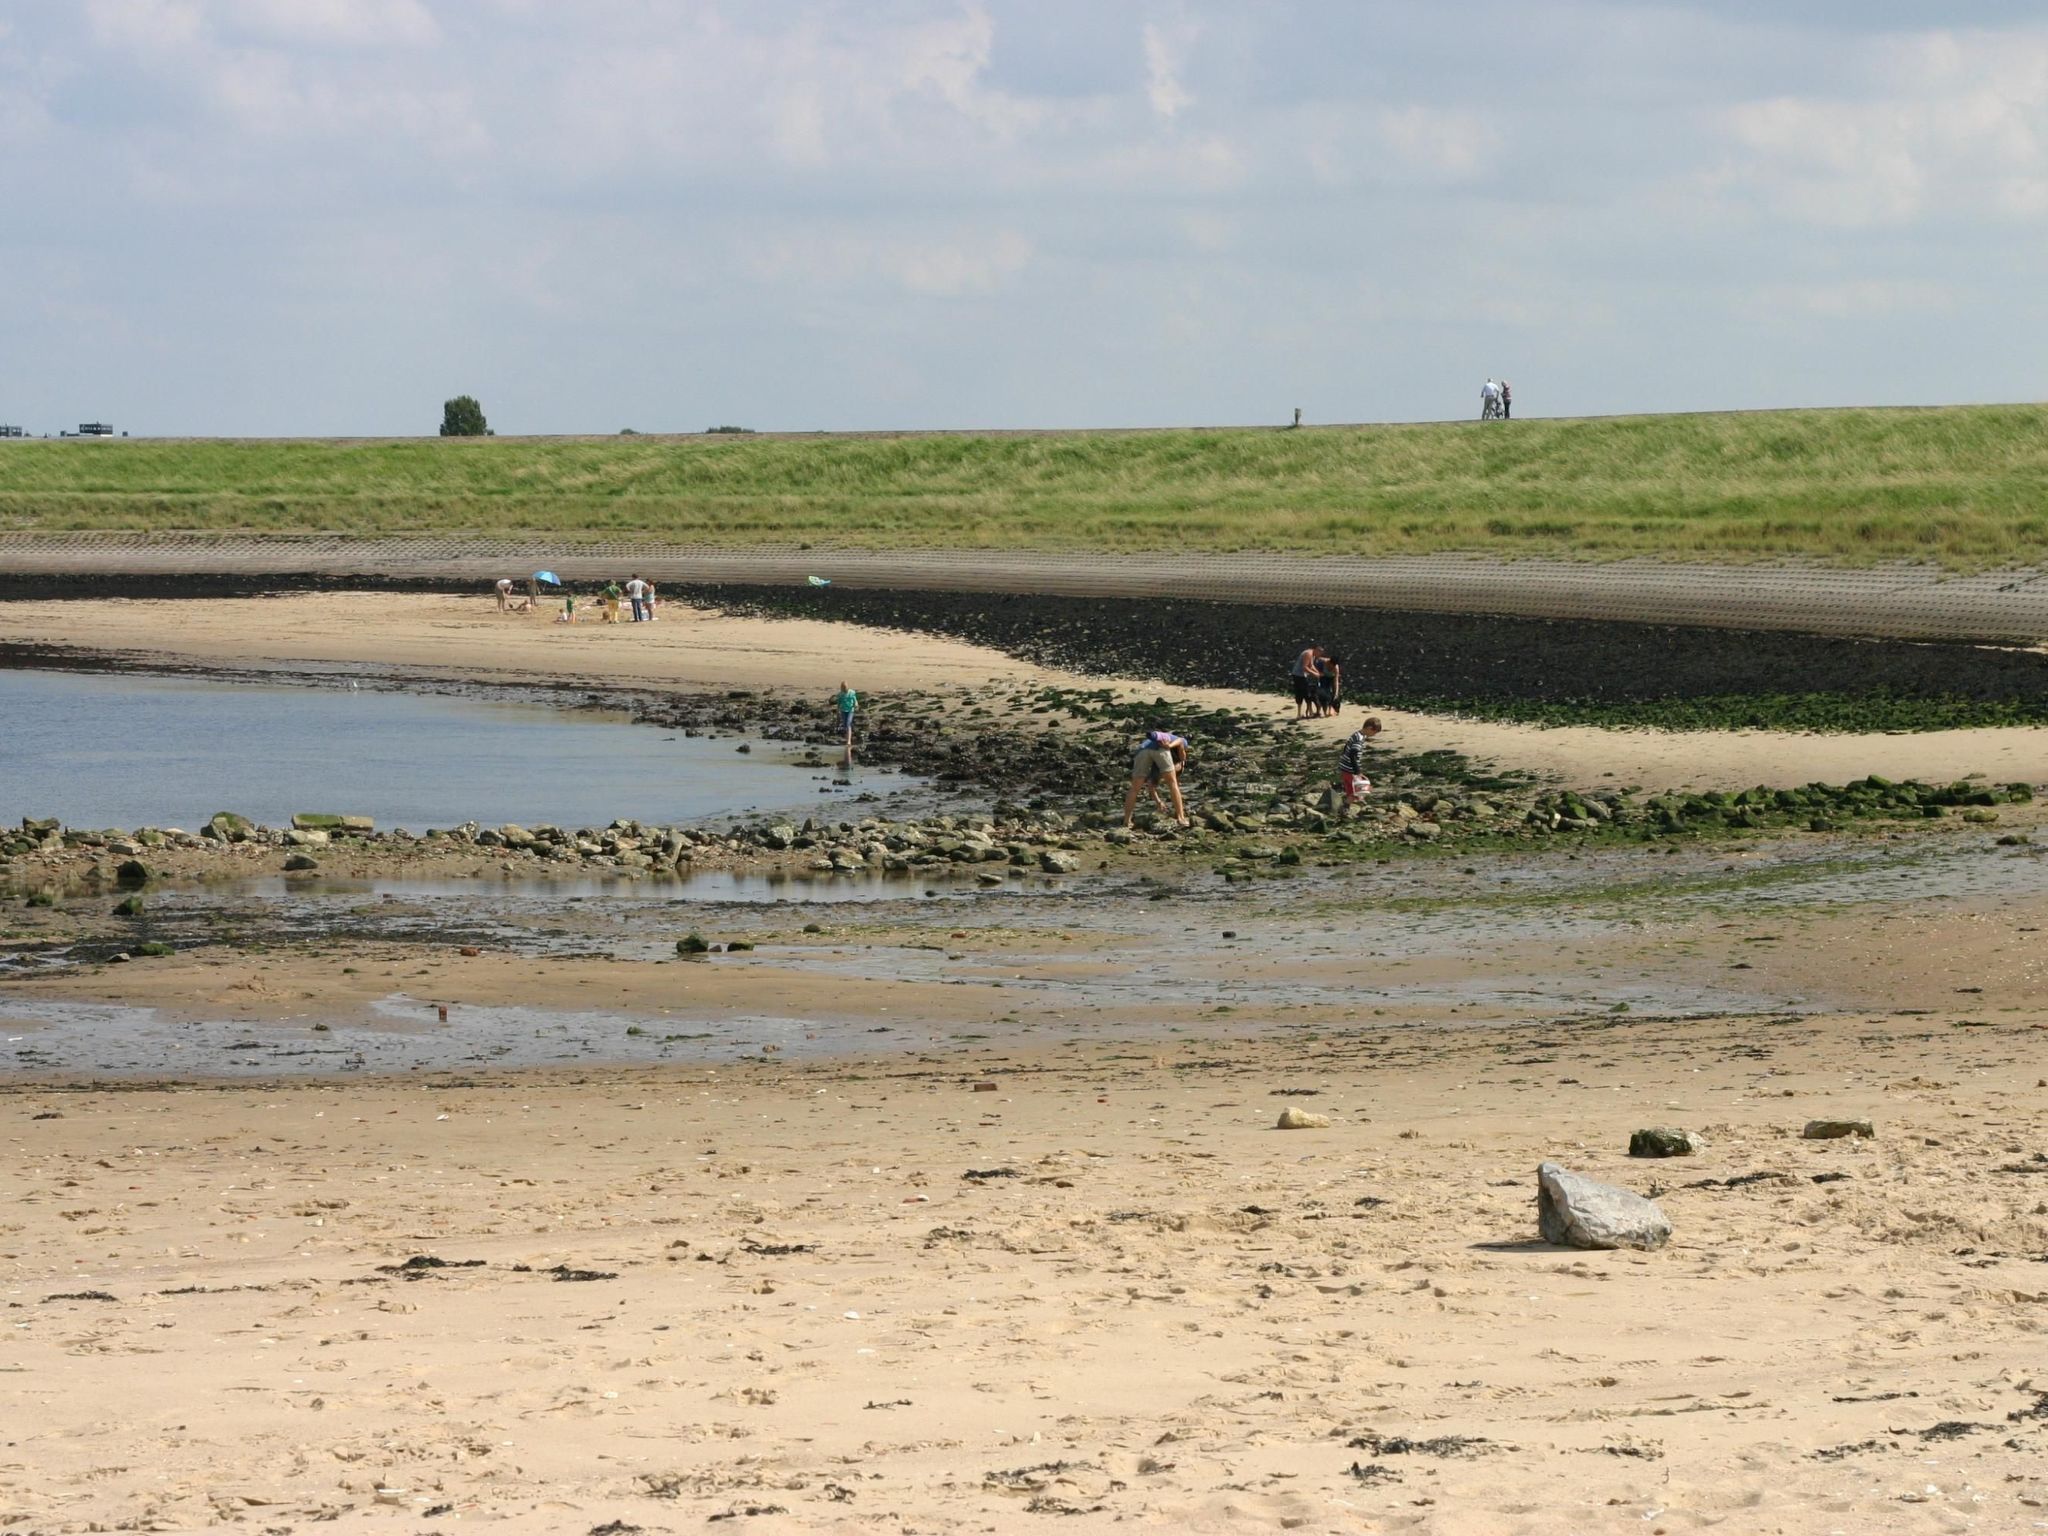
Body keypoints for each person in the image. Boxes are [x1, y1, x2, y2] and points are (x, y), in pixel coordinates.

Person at [1124, 727, 1190, 829]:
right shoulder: (1181, 750)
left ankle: (1127, 821)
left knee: (1134, 788)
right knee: (1173, 783)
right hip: (1161, 748)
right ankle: (1181, 818)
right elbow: (1181, 740)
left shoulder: (1157, 765)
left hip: (1142, 751)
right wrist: (1169, 746)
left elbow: (1151, 785)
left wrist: (1159, 802)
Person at [1338, 717, 1383, 803]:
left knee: (1350, 789)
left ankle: (1354, 804)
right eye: (1375, 732)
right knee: (1356, 791)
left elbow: (1345, 749)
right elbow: (1353, 755)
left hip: (1344, 767)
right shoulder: (1359, 739)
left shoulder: (1356, 734)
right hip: (1349, 769)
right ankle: (1345, 808)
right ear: (1369, 728)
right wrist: (1357, 772)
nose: (1374, 735)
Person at [1291, 644, 1321, 720]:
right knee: (1300, 693)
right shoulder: (1308, 653)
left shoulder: (1313, 655)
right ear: (1316, 650)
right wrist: (1314, 674)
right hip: (1298, 675)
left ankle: (1310, 712)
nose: (1319, 655)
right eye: (1319, 652)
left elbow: (1311, 665)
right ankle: (1299, 713)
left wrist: (1317, 672)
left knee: (1307, 694)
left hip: (1303, 676)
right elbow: (1305, 667)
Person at [833, 681, 858, 753]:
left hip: (850, 710)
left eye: (845, 687)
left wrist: (856, 704)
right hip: (843, 710)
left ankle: (849, 741)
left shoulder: (852, 692)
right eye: (843, 687)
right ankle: (847, 738)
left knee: (848, 724)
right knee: (844, 725)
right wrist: (837, 711)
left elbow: (855, 700)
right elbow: (839, 703)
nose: (844, 689)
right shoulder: (840, 694)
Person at [1317, 650, 1342, 717]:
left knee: (1334, 695)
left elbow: (1336, 680)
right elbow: (1316, 660)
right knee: (1324, 693)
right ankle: (1322, 711)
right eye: (1332, 665)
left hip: (1331, 678)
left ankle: (1332, 709)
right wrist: (1319, 673)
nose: (1332, 666)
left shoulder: (1336, 668)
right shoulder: (1323, 661)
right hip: (1323, 677)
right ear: (1330, 662)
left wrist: (1336, 692)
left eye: (1334, 665)